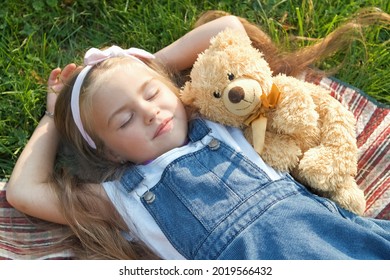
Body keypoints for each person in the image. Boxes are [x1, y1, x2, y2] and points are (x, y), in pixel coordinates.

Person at [6, 10, 390, 260]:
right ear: (110, 153)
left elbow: (229, 30)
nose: (150, 112)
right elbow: (23, 192)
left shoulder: (219, 116)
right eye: (124, 121)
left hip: (339, 240)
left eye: (153, 93)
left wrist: (144, 65)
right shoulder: (123, 198)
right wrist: (53, 117)